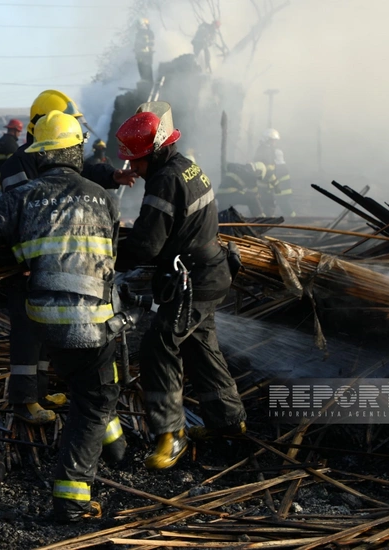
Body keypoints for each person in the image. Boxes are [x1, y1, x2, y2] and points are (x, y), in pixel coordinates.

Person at [0, 111, 120, 522]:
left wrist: (16, 260)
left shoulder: (19, 196)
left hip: (43, 322)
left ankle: (115, 445)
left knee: (82, 384)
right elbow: (111, 257)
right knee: (94, 400)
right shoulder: (104, 196)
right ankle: (71, 498)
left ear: (41, 155)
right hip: (94, 322)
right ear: (75, 151)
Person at [115, 101, 246, 470]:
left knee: (159, 346)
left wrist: (105, 255)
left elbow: (146, 245)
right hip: (208, 272)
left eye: (137, 161)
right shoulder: (184, 167)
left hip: (194, 279)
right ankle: (230, 422)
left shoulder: (165, 179)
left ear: (155, 152)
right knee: (200, 345)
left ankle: (171, 435)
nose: (134, 169)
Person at [0, 89, 136, 424]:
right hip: (28, 265)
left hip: (52, 261)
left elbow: (80, 171)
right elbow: (18, 218)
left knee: (46, 329)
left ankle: (42, 391)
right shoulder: (17, 166)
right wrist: (26, 264)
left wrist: (113, 176)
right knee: (27, 333)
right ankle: (24, 401)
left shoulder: (51, 157)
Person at [134, 18, 155, 82]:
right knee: (142, 69)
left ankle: (149, 83)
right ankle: (144, 83)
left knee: (147, 69)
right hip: (140, 55)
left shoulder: (148, 33)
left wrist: (143, 45)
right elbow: (137, 44)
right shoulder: (138, 34)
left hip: (146, 55)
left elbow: (151, 43)